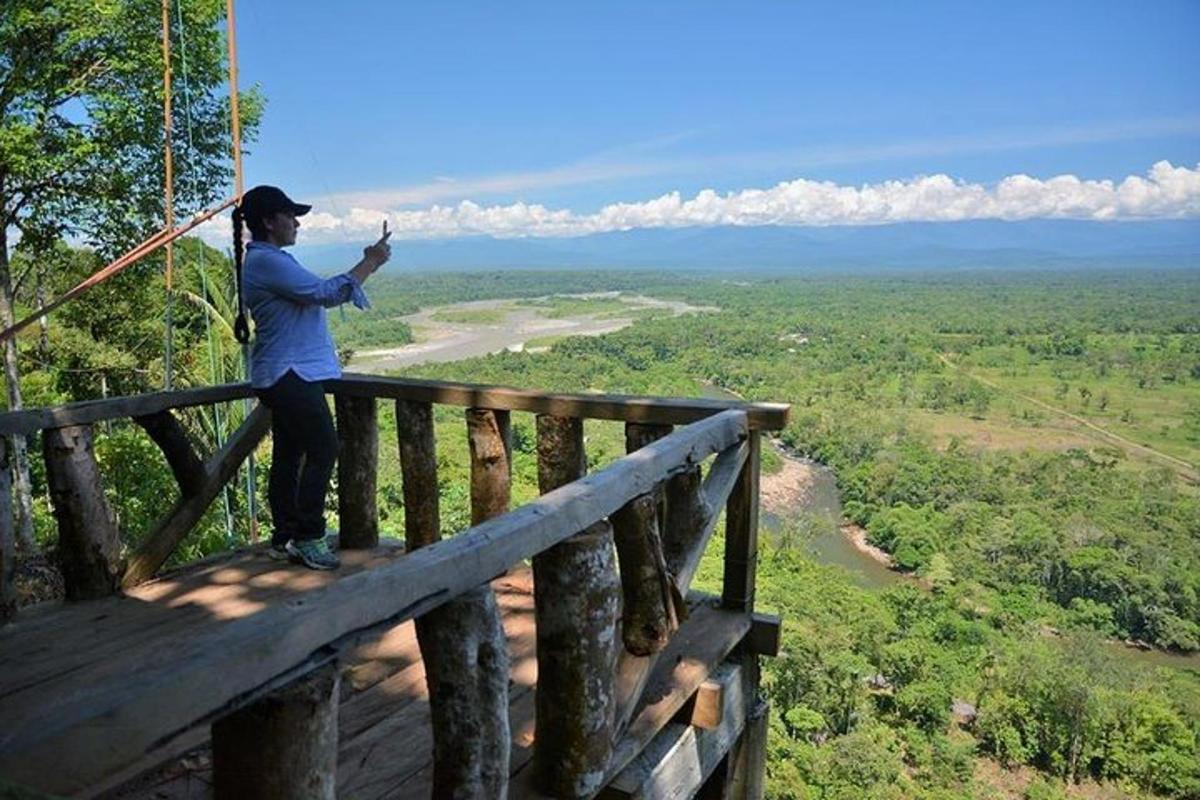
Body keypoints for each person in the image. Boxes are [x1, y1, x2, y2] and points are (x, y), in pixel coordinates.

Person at [232, 185, 392, 570]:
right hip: (291, 372)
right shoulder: (269, 262)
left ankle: (285, 535)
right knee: (323, 448)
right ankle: (308, 536)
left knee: (289, 454)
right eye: (290, 215)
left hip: (282, 372)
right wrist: (369, 262)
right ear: (270, 221)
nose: (297, 222)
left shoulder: (266, 260)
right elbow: (324, 293)